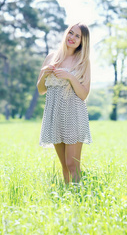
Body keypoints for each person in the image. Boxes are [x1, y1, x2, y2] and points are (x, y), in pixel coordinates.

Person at [37, 22, 92, 184]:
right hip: (54, 115)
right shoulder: (51, 57)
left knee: (72, 164)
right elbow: (40, 89)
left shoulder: (83, 61)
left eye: (78, 36)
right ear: (66, 33)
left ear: (82, 42)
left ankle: (80, 196)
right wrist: (45, 75)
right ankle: (69, 198)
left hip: (74, 115)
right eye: (71, 33)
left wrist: (70, 77)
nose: (72, 38)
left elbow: (83, 94)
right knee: (64, 166)